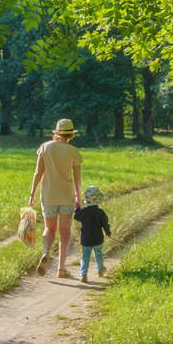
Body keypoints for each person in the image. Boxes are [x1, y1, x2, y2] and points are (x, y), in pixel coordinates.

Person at [28, 118, 83, 278]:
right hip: (66, 196)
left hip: (48, 195)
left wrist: (32, 194)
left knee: (49, 228)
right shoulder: (74, 152)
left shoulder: (45, 147)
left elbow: (38, 173)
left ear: (57, 132)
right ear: (71, 134)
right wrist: (78, 198)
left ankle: (46, 252)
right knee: (65, 232)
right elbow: (77, 179)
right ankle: (61, 269)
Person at [73, 185, 111, 283]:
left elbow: (76, 217)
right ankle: (101, 270)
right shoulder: (100, 212)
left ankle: (84, 274)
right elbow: (105, 224)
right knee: (98, 254)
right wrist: (108, 232)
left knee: (85, 257)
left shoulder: (83, 212)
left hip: (86, 239)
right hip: (98, 239)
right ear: (98, 200)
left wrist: (77, 209)